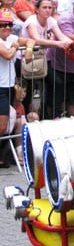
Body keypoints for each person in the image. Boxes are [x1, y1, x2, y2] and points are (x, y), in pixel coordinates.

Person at [22, 0, 72, 118]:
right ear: (37, 9)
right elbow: (37, 40)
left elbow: (61, 36)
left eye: (50, 7)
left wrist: (71, 43)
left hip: (42, 59)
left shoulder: (51, 21)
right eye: (44, 7)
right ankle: (27, 118)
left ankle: (54, 114)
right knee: (29, 92)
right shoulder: (31, 21)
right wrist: (58, 44)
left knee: (57, 82)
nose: (48, 10)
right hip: (26, 59)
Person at [0, 10, 35, 166]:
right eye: (3, 25)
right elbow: (7, 54)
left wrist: (27, 51)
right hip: (0, 87)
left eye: (9, 25)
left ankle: (5, 156)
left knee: (10, 122)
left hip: (9, 86)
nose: (7, 28)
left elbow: (30, 41)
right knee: (2, 125)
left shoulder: (12, 38)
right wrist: (15, 47)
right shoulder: (8, 42)